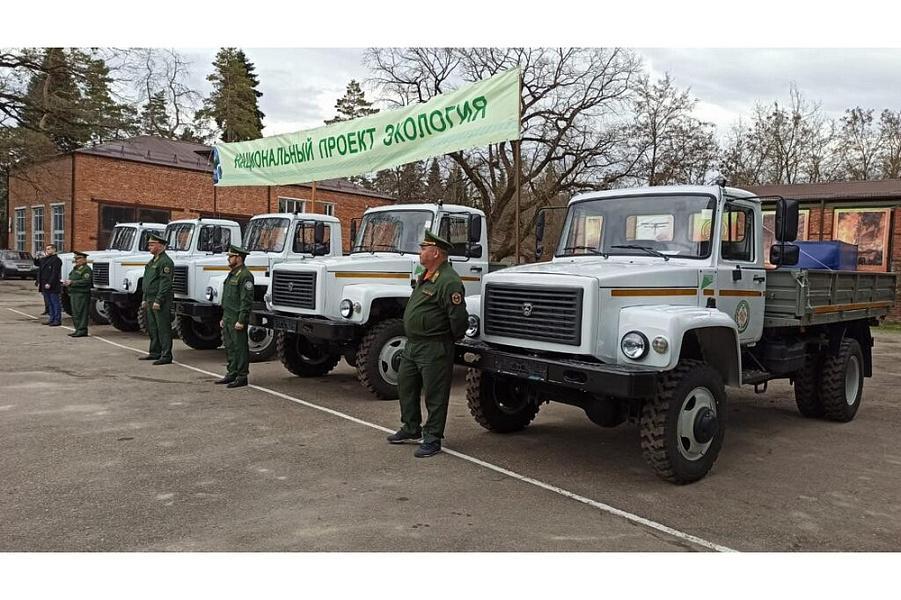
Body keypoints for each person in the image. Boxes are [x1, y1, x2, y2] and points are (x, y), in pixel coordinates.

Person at [387, 231, 469, 458]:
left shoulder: (448, 280)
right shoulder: (427, 274)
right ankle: (411, 427)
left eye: (424, 248)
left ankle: (432, 437)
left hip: (434, 346)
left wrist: (448, 339)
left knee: (435, 394)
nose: (420, 252)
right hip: (413, 345)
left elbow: (458, 318)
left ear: (436, 253)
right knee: (406, 386)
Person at [215, 245, 254, 388]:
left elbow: (246, 300)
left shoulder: (245, 275)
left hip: (237, 318)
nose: (228, 258)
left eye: (231, 256)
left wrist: (242, 320)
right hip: (228, 317)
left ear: (239, 258)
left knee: (240, 348)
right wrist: (223, 317)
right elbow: (228, 298)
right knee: (230, 347)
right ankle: (232, 372)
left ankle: (242, 376)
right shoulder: (232, 274)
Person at [139, 233, 174, 365]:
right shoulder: (153, 261)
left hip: (160, 300)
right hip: (150, 298)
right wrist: (144, 298)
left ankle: (166, 355)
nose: (149, 247)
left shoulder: (165, 262)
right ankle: (155, 352)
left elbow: (165, 283)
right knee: (152, 327)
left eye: (152, 244)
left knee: (163, 327)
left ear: (160, 246)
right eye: (149, 244)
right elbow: (148, 282)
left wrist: (158, 300)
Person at [63, 251, 92, 337]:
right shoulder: (75, 268)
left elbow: (86, 281)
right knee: (75, 313)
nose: (76, 260)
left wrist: (72, 282)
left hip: (81, 294)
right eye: (75, 259)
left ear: (84, 259)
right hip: (74, 293)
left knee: (81, 312)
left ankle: (82, 330)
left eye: (78, 258)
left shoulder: (86, 269)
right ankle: (77, 329)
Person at [38, 244, 63, 326]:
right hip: (44, 284)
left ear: (54, 250)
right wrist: (38, 281)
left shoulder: (56, 260)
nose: (47, 250)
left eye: (49, 249)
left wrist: (50, 283)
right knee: (49, 303)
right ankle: (51, 318)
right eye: (46, 249)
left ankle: (57, 319)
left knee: (55, 302)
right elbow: (40, 268)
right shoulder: (45, 259)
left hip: (53, 285)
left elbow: (55, 273)